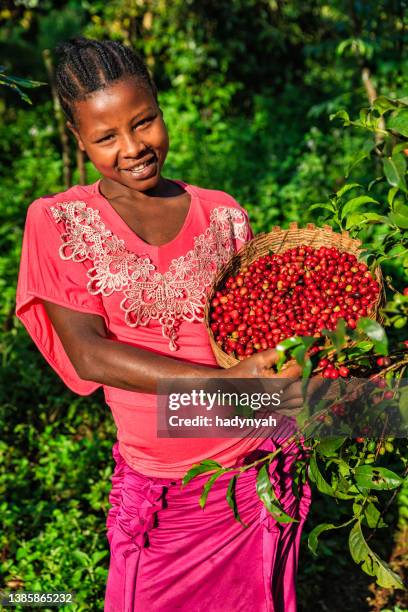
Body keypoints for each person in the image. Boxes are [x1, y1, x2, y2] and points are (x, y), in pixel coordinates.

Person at [16, 37, 312, 612]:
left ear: (159, 107)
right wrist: (222, 388)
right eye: (106, 137)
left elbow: (249, 339)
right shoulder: (61, 220)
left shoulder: (222, 213)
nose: (132, 147)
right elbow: (89, 355)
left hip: (257, 467)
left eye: (143, 122)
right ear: (80, 141)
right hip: (167, 484)